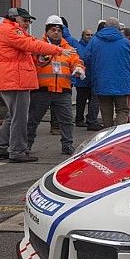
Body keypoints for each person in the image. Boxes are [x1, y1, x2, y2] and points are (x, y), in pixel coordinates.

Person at [0, 7, 75, 163]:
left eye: (29, 20)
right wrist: (58, 50)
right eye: (25, 20)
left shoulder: (8, 30)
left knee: (12, 117)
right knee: (19, 118)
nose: (28, 23)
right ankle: (17, 151)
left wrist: (38, 60)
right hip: (16, 80)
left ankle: (0, 148)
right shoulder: (11, 31)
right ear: (15, 18)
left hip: (12, 79)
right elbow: (31, 45)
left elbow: (24, 52)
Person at [26, 16, 85, 155]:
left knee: (67, 121)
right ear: (47, 31)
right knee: (33, 120)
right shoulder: (38, 46)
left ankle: (67, 145)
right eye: (53, 29)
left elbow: (77, 61)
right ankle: (26, 145)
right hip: (42, 90)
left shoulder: (69, 48)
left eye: (59, 30)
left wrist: (78, 68)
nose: (57, 32)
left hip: (63, 90)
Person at [82, 17, 130, 127]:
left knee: (106, 110)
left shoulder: (94, 41)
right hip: (121, 82)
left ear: (105, 27)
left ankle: (108, 133)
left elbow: (86, 58)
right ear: (119, 28)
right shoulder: (125, 42)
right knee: (122, 109)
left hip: (102, 81)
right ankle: (118, 134)